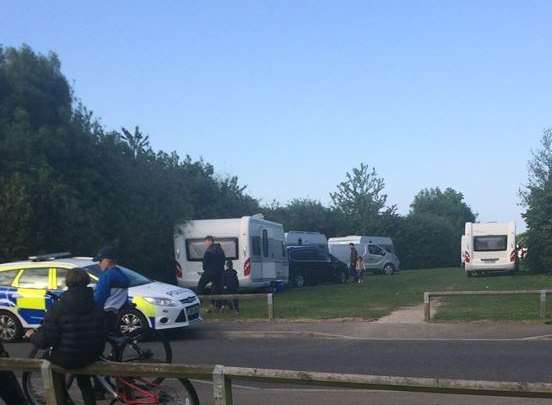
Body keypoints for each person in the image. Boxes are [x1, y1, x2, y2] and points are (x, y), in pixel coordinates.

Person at [26, 268, 106, 405]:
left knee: (50, 363)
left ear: (67, 282)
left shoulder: (59, 306)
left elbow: (46, 340)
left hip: (67, 358)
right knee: (83, 375)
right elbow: (102, 331)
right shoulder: (95, 304)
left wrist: (32, 335)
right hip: (91, 355)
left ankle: (62, 399)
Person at [93, 246, 130, 333]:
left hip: (105, 314)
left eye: (100, 260)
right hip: (118, 313)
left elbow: (99, 298)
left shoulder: (106, 276)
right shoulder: (122, 275)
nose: (99, 264)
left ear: (106, 261)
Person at [197, 236, 226, 308]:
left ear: (210, 241)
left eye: (205, 242)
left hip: (209, 272)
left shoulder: (208, 251)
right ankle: (218, 306)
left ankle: (200, 304)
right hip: (219, 273)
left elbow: (205, 264)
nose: (205, 244)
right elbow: (223, 261)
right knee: (218, 289)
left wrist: (205, 270)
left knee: (200, 287)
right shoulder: (221, 250)